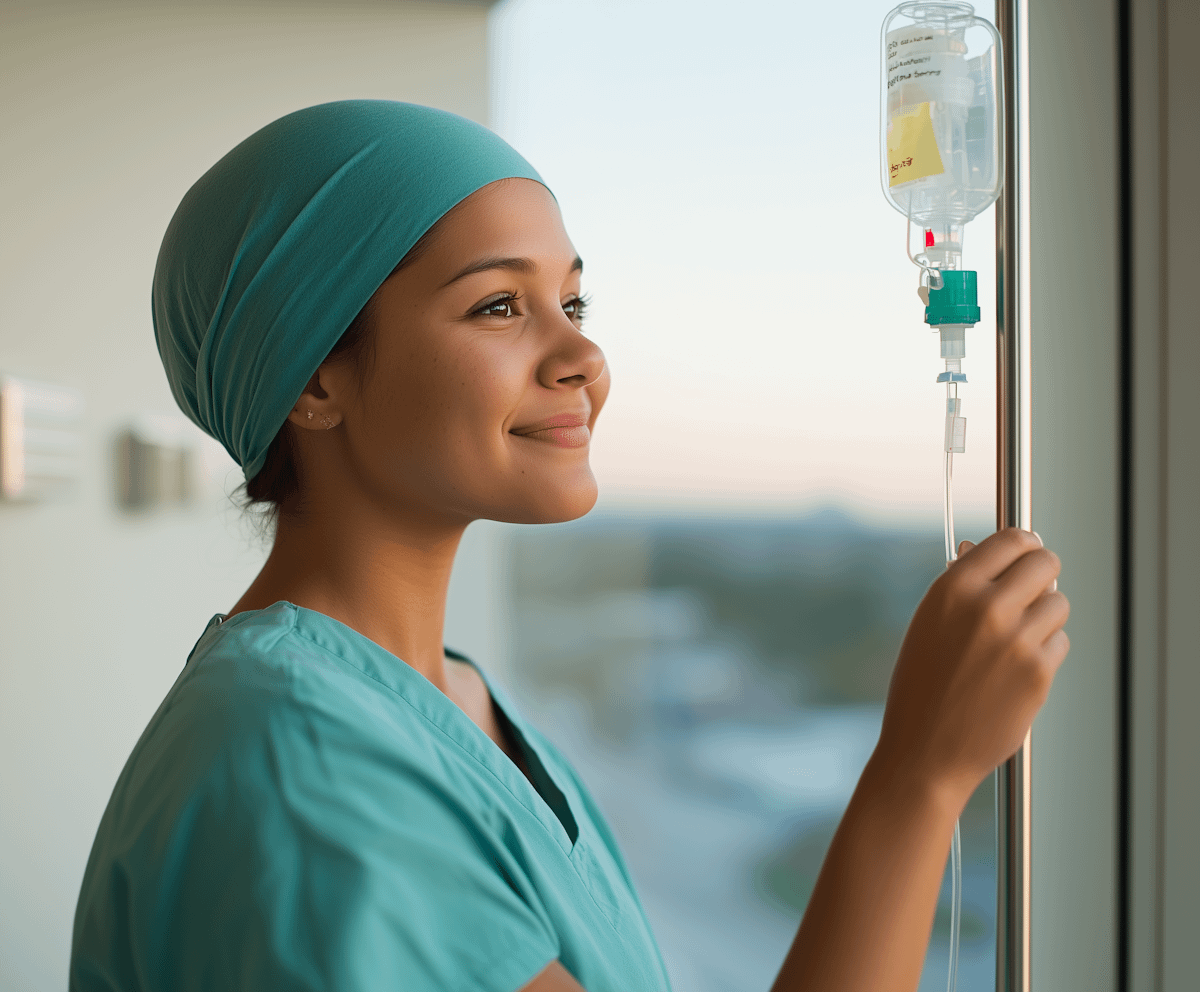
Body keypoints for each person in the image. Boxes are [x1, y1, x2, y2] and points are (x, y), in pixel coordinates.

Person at [70, 101, 1070, 992]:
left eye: (574, 302)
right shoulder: (299, 763)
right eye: (499, 304)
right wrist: (919, 778)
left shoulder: (446, 700)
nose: (584, 356)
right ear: (312, 380)